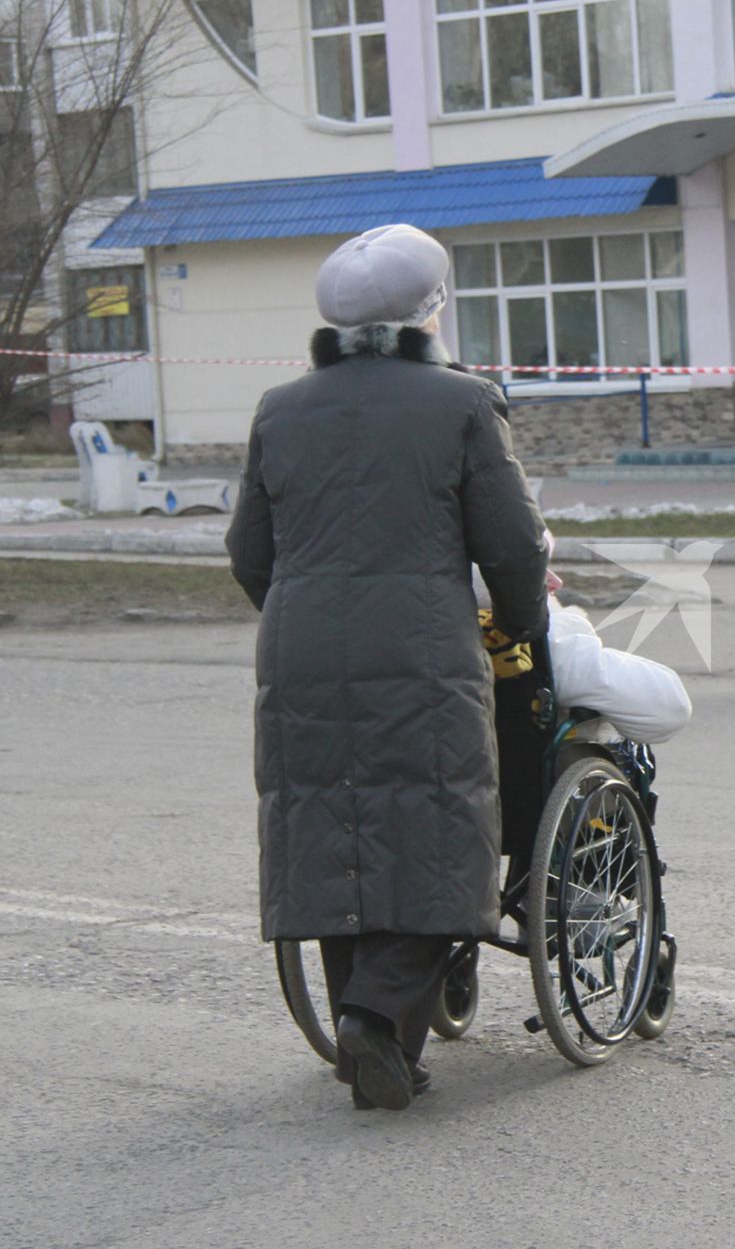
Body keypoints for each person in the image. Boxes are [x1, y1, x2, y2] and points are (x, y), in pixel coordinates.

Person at [227, 223, 548, 1112]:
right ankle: (374, 1014)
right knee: (442, 827)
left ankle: (380, 1044)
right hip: (419, 642)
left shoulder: (280, 409)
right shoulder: (461, 403)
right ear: (427, 314)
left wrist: (309, 614)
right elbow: (513, 544)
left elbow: (250, 552)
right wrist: (518, 626)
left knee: (334, 829)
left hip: (298, 647)